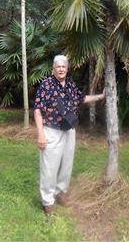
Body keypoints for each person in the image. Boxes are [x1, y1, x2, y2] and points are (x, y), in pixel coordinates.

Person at [33, 54, 105, 214]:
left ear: (67, 68)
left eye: (63, 66)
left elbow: (82, 98)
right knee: (49, 167)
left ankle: (61, 192)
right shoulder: (46, 85)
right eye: (58, 66)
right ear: (53, 69)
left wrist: (101, 96)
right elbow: (38, 110)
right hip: (51, 130)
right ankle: (47, 201)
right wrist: (40, 134)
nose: (61, 69)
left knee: (66, 164)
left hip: (69, 130)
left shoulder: (70, 84)